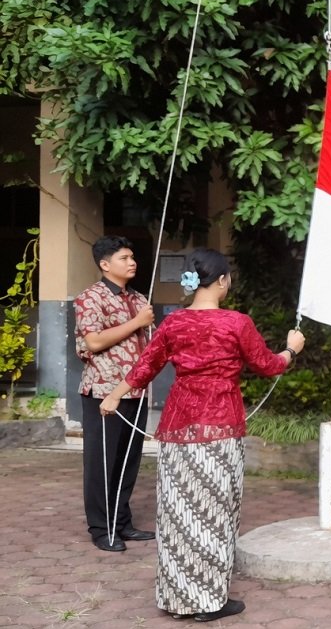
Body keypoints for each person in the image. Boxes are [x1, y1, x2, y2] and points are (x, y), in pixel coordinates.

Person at [99, 248, 305, 622]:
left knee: (178, 513)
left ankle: (177, 598)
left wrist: (113, 396)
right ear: (223, 280)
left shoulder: (174, 323)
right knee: (214, 512)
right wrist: (292, 349)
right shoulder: (236, 323)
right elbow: (268, 365)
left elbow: (145, 366)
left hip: (177, 428)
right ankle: (210, 601)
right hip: (220, 427)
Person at [75, 235, 156, 552]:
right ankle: (100, 528)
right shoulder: (90, 298)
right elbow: (93, 342)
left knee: (127, 461)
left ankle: (122, 523)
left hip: (137, 391)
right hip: (103, 391)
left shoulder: (138, 299)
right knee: (101, 463)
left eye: (133, 256)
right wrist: (137, 322)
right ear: (105, 264)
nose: (132, 262)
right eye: (124, 257)